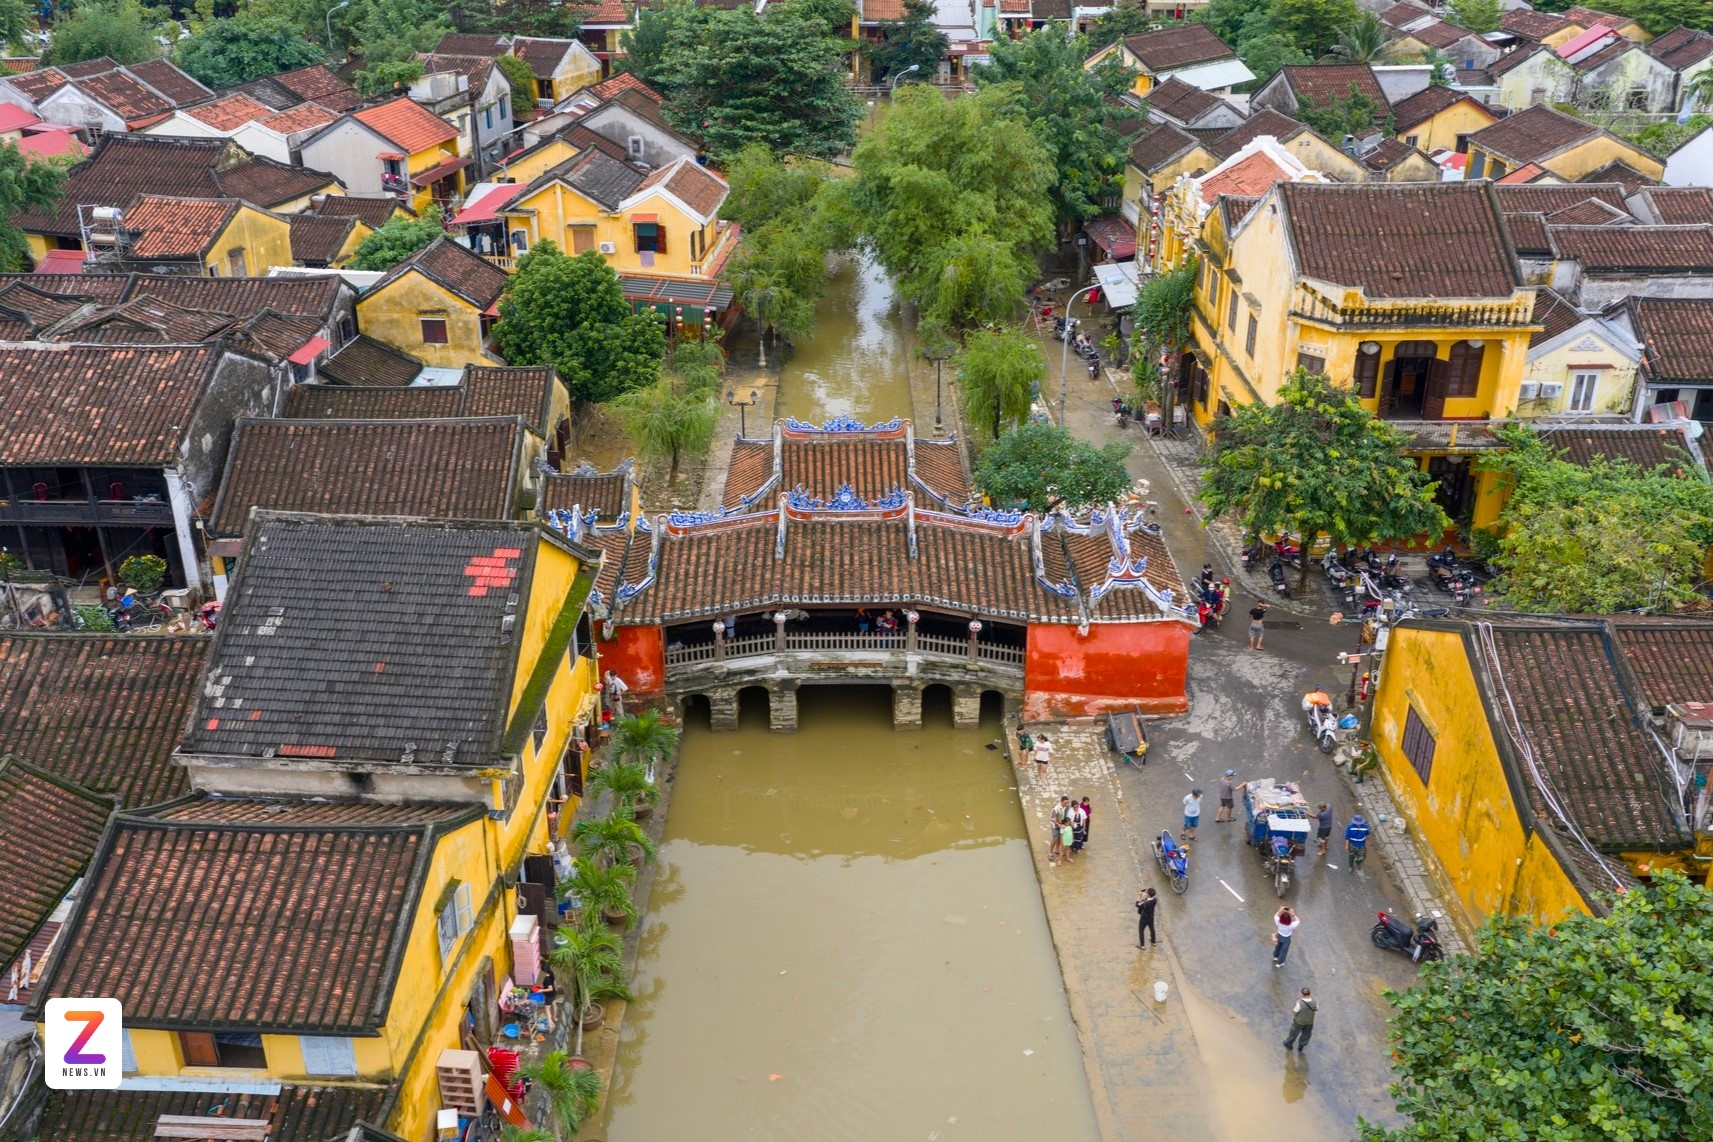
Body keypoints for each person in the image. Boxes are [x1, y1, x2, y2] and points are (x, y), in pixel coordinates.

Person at [1283, 987, 1317, 1051]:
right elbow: (1316, 1009)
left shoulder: (1299, 1002)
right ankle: (1301, 1046)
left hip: (1299, 1021)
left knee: (1294, 1033)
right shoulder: (1314, 1001)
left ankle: (1289, 1044)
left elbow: (1295, 1011)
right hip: (1310, 1021)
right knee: (1306, 1034)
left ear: (1302, 993)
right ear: (1309, 993)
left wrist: (1296, 1016)